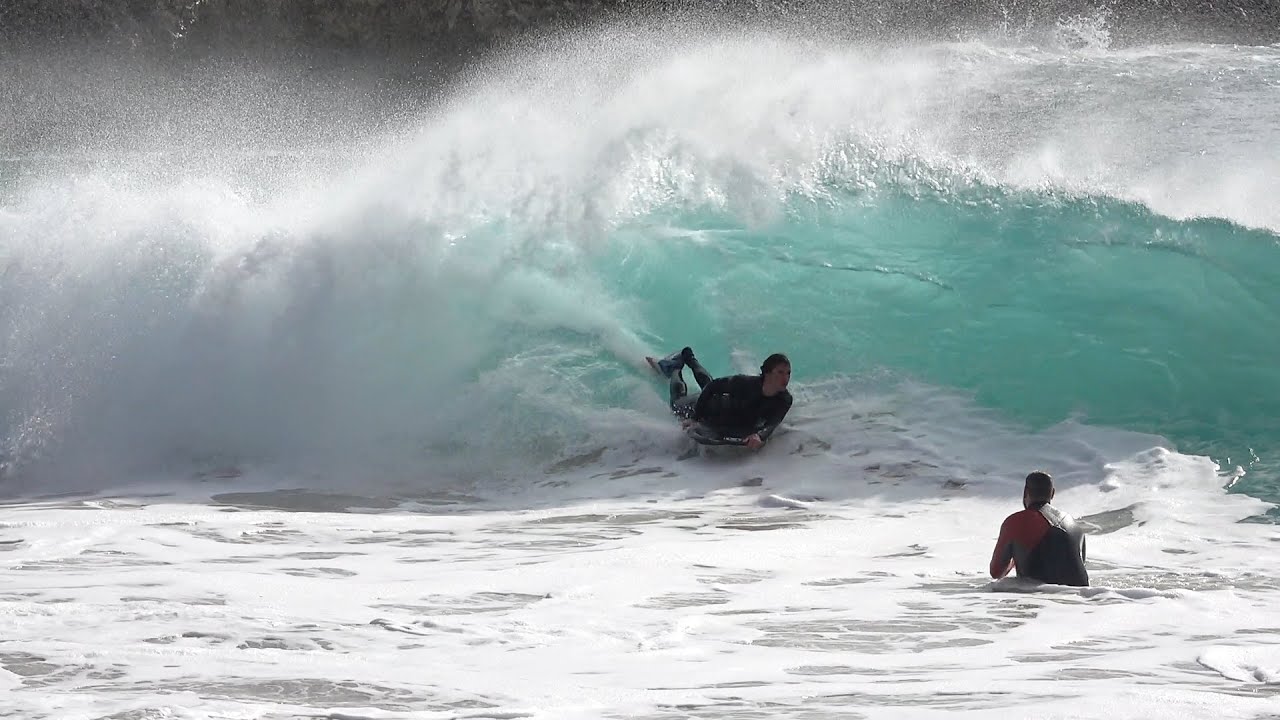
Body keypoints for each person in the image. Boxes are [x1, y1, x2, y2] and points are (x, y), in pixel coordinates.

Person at [650, 347, 792, 450]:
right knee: (677, 404)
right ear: (767, 373)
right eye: (780, 372)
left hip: (725, 410)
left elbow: (773, 422)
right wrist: (695, 418)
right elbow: (713, 386)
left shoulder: (784, 400)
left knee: (708, 385)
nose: (785, 378)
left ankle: (688, 357)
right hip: (708, 408)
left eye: (788, 373)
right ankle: (674, 368)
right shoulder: (746, 383)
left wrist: (759, 436)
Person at [989, 471, 1089, 586]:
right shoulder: (1073, 524)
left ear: (1025, 492)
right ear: (1052, 493)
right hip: (1084, 596)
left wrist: (1014, 556)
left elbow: (996, 572)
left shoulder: (1016, 521)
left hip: (1042, 595)